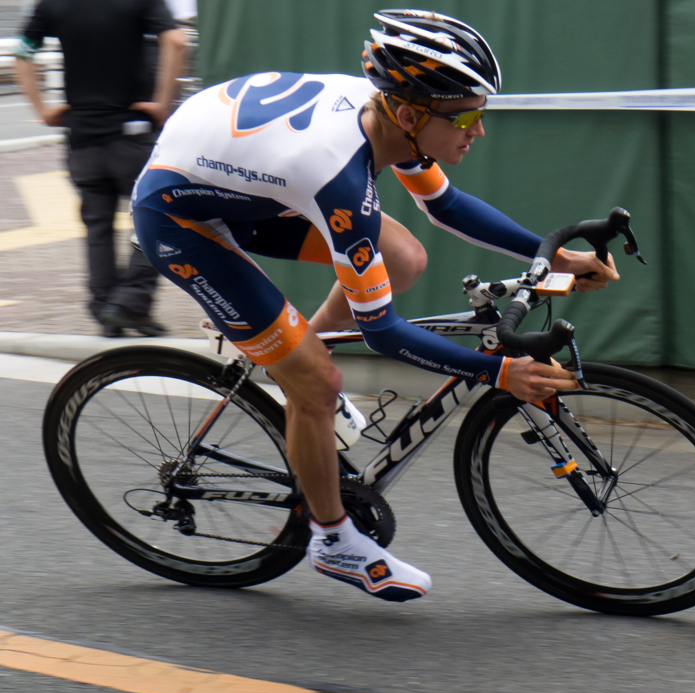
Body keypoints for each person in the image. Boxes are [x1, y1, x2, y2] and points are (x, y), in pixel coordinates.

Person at [129, 9, 620, 602]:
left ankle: (288, 355)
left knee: (406, 259)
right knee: (316, 383)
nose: (478, 130)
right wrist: (500, 372)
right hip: (179, 219)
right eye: (466, 116)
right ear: (411, 114)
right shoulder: (338, 178)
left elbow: (448, 206)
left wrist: (558, 256)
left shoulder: (391, 113)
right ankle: (332, 539)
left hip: (244, 183)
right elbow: (383, 333)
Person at [14, 0, 188, 337]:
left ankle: (106, 307)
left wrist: (43, 109)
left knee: (98, 227)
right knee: (163, 216)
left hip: (81, 139)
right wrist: (163, 103)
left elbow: (22, 52)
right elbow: (177, 41)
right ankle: (131, 302)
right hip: (132, 135)